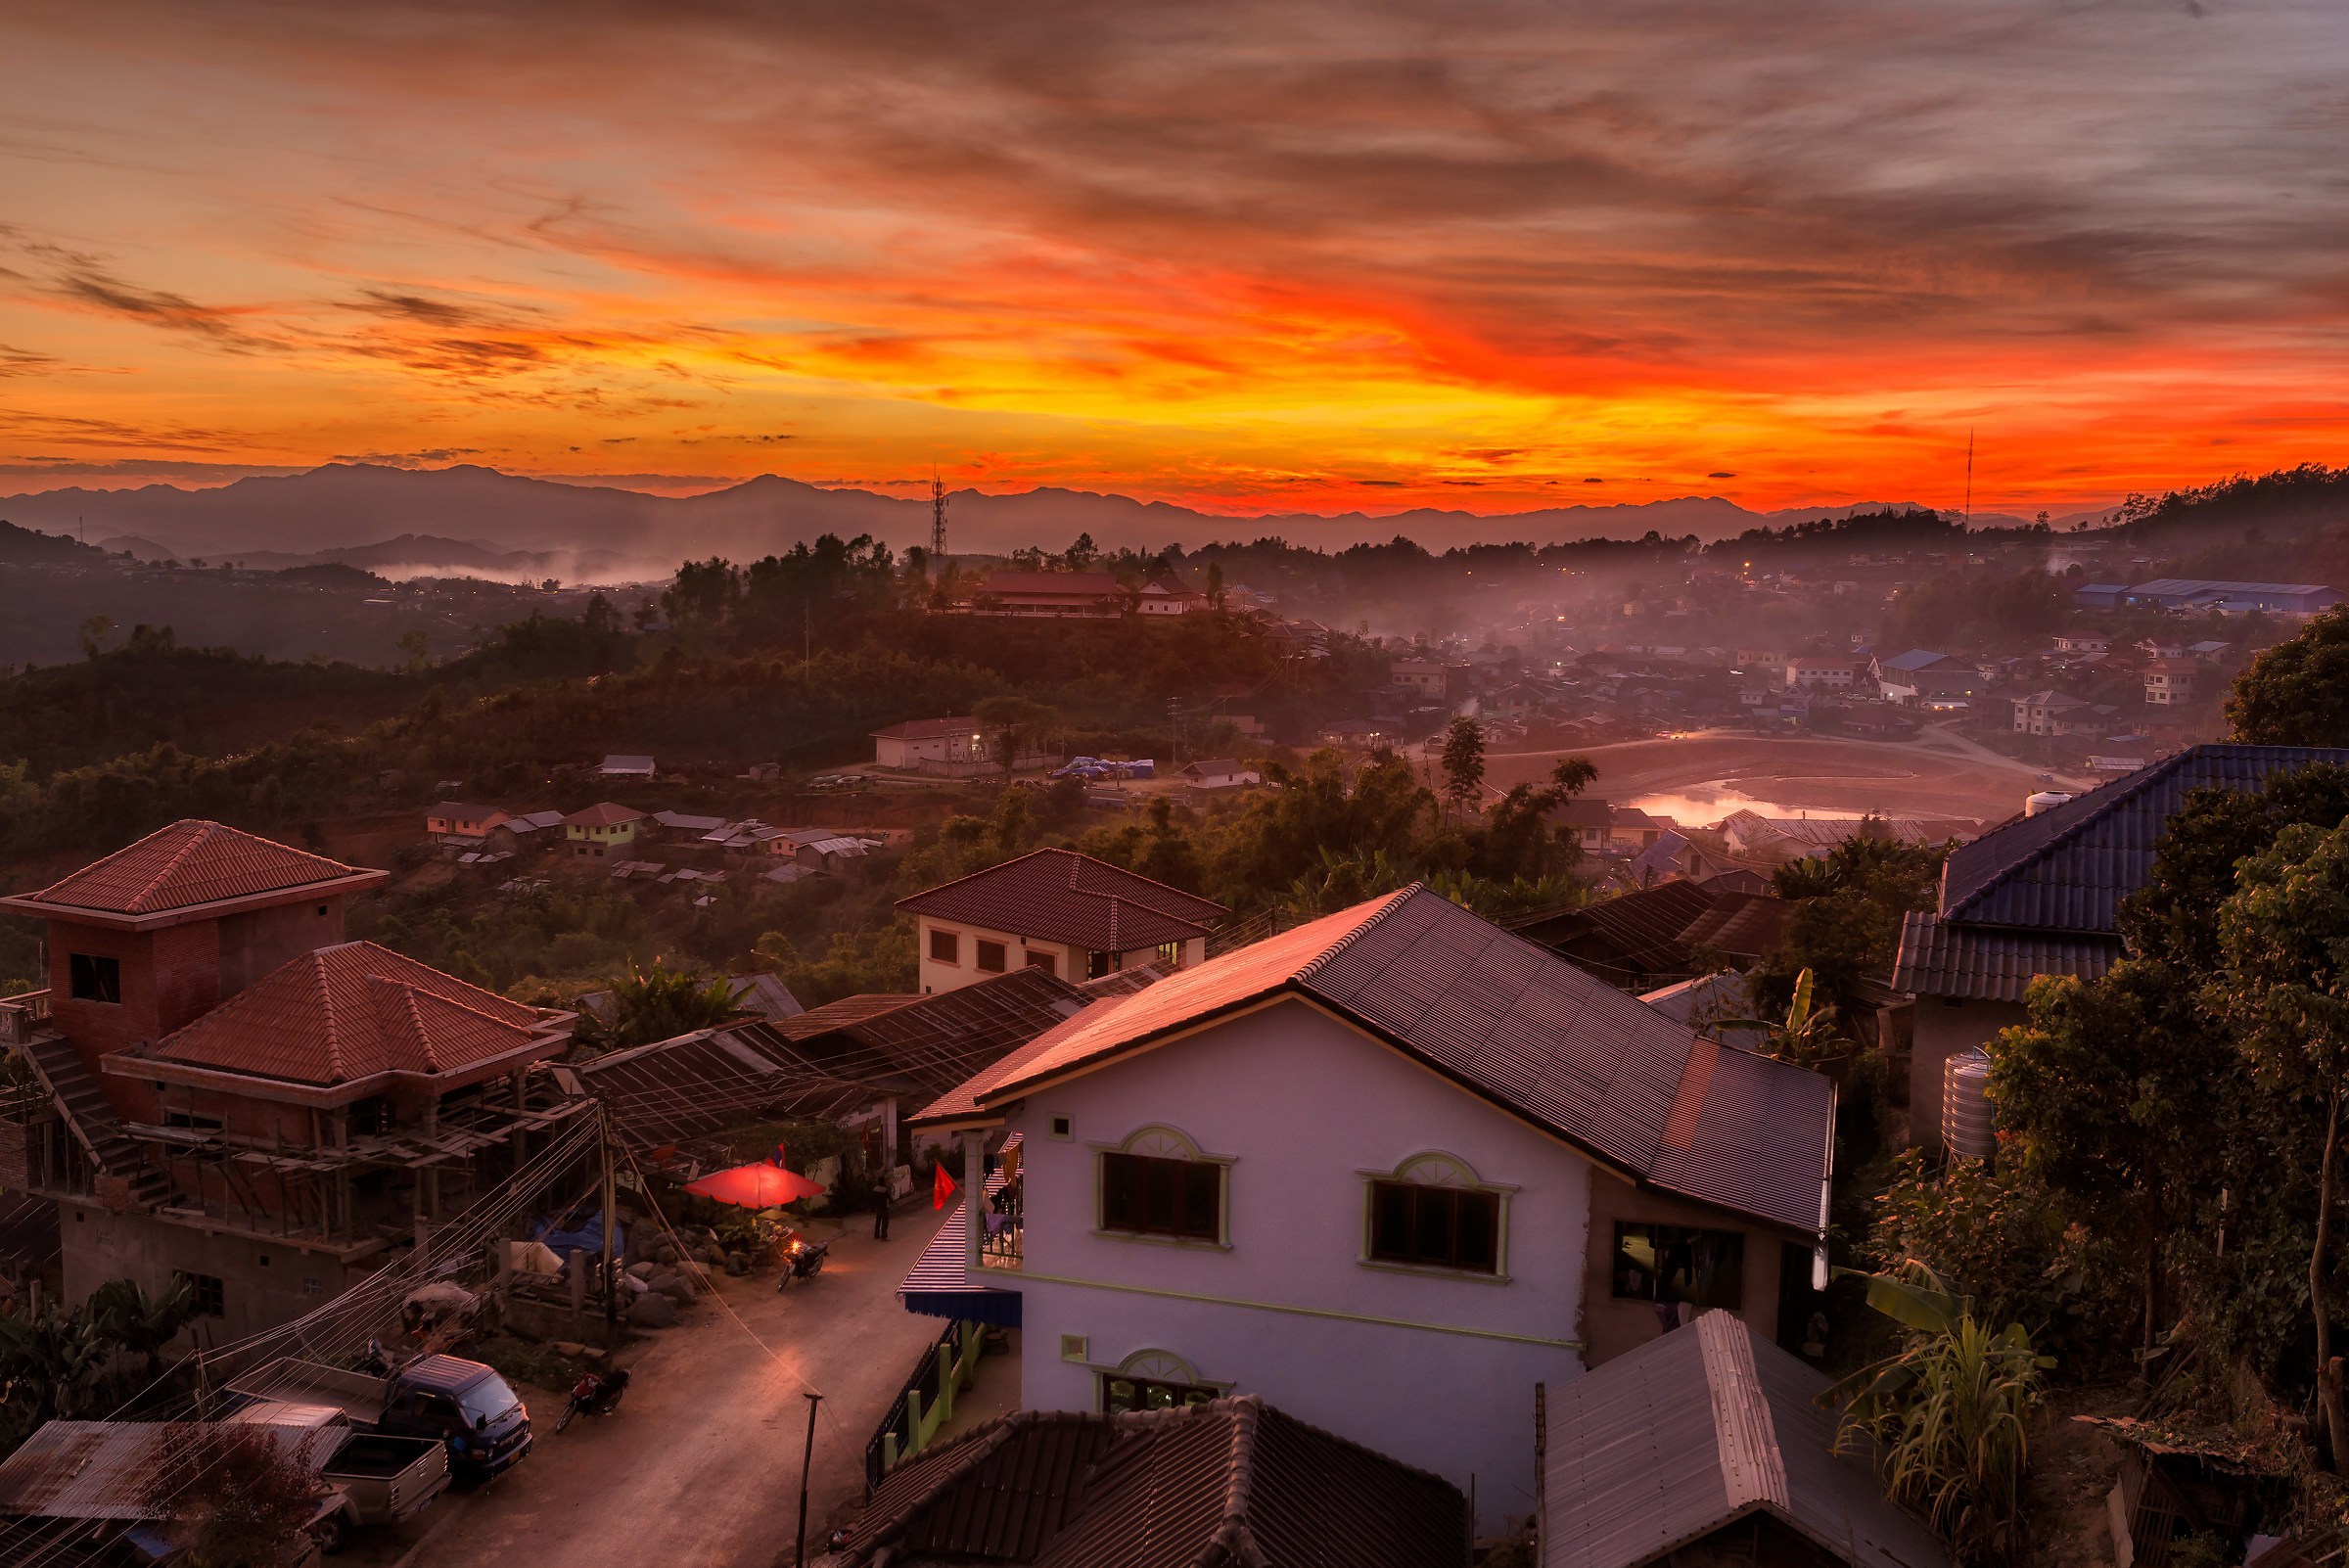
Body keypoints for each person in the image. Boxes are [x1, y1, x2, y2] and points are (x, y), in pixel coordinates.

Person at [869, 1165, 892, 1240]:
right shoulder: (885, 1190)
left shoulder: (875, 1189)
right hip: (884, 1207)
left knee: (878, 1222)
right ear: (883, 1182)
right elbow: (889, 1197)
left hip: (878, 1208)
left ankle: (876, 1235)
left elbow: (872, 1199)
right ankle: (883, 1236)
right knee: (885, 1222)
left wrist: (872, 1207)